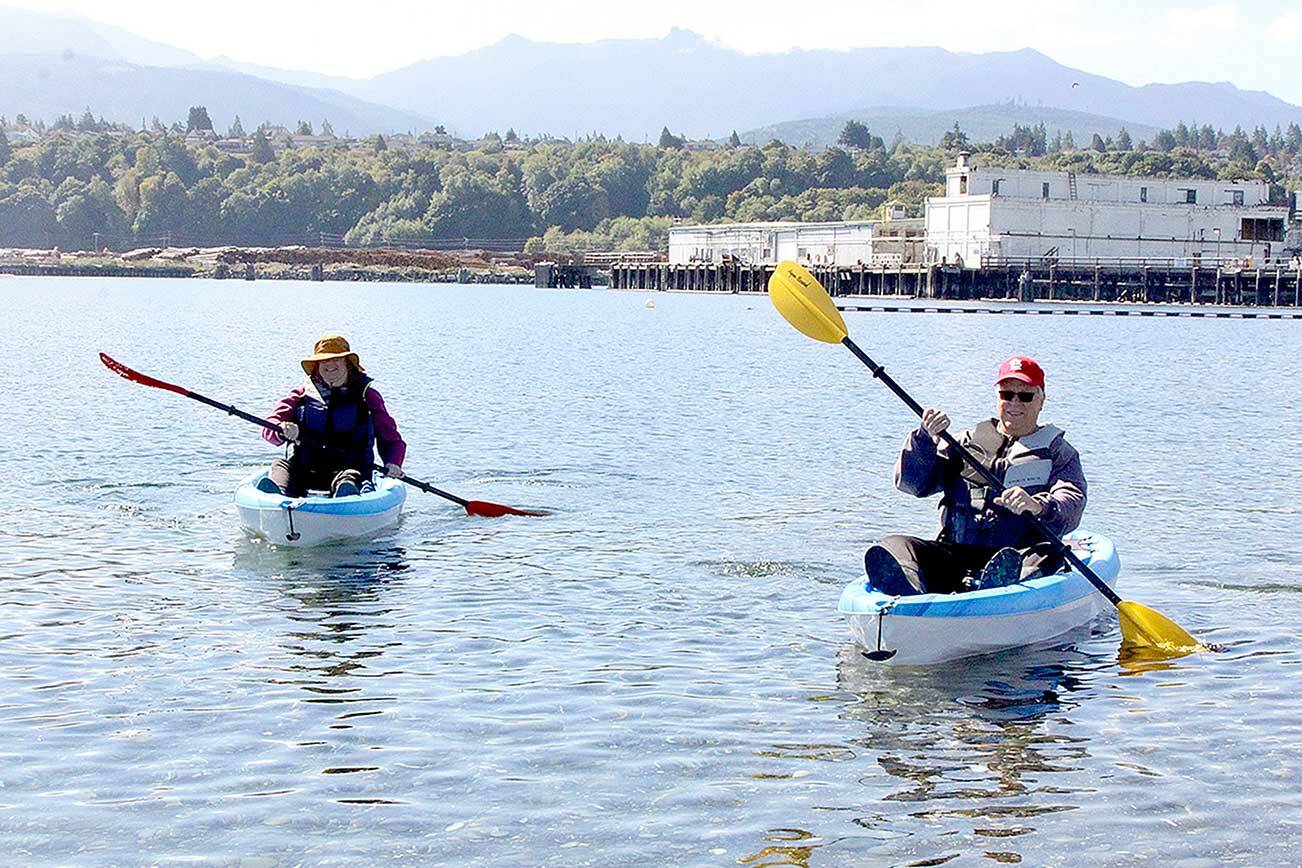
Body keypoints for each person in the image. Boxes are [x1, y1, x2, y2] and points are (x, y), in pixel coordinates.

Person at [865, 355, 1086, 595]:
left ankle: (1003, 587)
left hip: (1020, 553)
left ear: (1041, 399)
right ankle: (910, 595)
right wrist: (925, 438)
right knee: (894, 545)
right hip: (956, 552)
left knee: (1049, 555)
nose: (1015, 402)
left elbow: (1071, 503)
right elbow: (913, 485)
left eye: (1025, 396)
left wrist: (1038, 505)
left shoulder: (1059, 452)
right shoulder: (962, 443)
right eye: (1006, 394)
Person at [256, 334, 406, 497]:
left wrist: (393, 463)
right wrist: (281, 428)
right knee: (280, 465)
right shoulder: (300, 395)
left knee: (349, 477)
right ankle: (276, 499)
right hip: (306, 469)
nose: (329, 364)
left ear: (348, 364)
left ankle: (347, 498)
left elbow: (392, 441)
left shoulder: (368, 396)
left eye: (336, 359)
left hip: (350, 469)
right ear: (317, 366)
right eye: (324, 360)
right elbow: (269, 426)